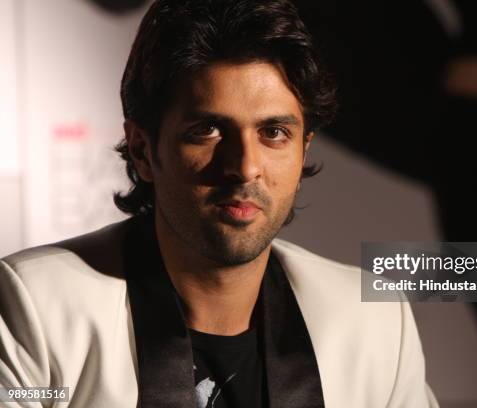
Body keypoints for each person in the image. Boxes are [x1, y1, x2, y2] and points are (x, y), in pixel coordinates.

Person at [0, 0, 437, 407]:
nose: (244, 167)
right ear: (142, 150)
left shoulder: (375, 321)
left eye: (274, 133)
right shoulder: (34, 307)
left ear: (304, 150)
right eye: (208, 130)